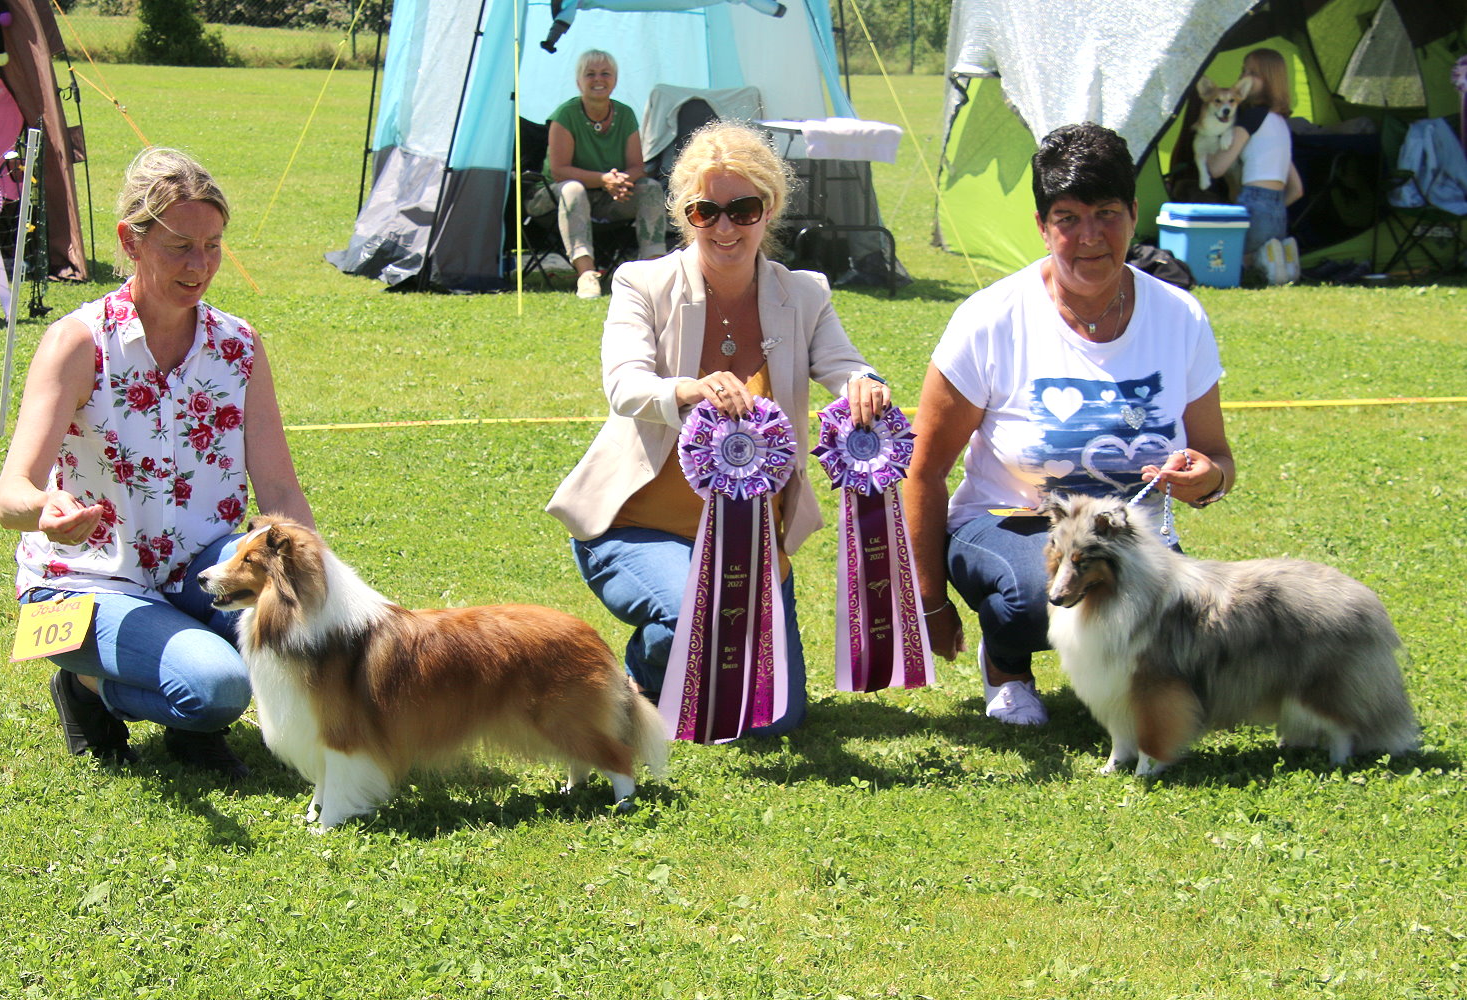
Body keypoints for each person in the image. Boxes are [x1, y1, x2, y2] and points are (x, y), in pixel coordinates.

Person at [547, 120, 891, 736]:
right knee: (695, 614)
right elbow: (624, 384)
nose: (726, 227)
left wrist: (864, 382)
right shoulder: (641, 283)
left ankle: (679, 659)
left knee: (773, 720)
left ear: (770, 210)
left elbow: (843, 363)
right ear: (685, 214)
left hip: (753, 542)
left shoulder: (804, 293)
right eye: (707, 211)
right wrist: (688, 389)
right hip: (634, 527)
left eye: (744, 209)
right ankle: (646, 672)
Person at [0, 147, 314, 777]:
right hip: (82, 583)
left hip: (200, 568)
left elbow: (279, 486)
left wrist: (319, 588)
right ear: (129, 242)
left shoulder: (239, 346)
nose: (200, 267)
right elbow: (11, 494)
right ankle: (89, 690)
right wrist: (44, 508)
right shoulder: (78, 342)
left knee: (302, 649)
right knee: (219, 685)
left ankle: (182, 695)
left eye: (214, 245)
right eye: (179, 247)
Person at [902, 123, 1236, 727]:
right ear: (1040, 225)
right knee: (1036, 592)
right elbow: (923, 468)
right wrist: (927, 600)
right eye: (1067, 217)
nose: (1089, 237)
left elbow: (1217, 458)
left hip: (1139, 537)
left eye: (1107, 213)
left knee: (1207, 662)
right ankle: (1007, 666)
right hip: (1008, 523)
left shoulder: (1179, 315)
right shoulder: (989, 318)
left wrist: (1206, 478)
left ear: (1135, 215)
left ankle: (1120, 661)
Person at [529, 49, 667, 300]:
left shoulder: (625, 114)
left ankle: (654, 272)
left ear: (615, 79)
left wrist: (621, 181)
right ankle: (586, 275)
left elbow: (638, 166)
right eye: (590, 74)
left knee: (650, 188)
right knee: (573, 188)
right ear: (578, 81)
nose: (598, 79)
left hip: (609, 197)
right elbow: (560, 171)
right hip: (554, 198)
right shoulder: (565, 115)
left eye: (605, 73)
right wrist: (604, 179)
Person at [1205, 48, 1304, 284]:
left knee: (1232, 261)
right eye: (1243, 71)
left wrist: (1207, 153)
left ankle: (1264, 259)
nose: (1243, 78)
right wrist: (1272, 207)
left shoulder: (1251, 118)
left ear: (1268, 80)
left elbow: (1217, 168)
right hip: (1278, 212)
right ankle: (1282, 255)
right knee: (1263, 259)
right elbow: (1297, 190)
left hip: (1253, 203)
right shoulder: (1280, 123)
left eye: (1252, 73)